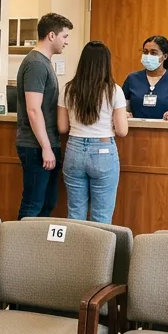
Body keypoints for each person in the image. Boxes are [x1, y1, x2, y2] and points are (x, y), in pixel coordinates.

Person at [58, 41, 128, 224]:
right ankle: (99, 245)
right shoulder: (114, 90)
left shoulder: (68, 89)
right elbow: (122, 131)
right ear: (106, 64)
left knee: (75, 214)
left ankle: (76, 244)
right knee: (101, 216)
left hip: (74, 150)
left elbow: (62, 127)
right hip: (103, 151)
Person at [16, 12, 72, 219]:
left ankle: (37, 241)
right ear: (51, 35)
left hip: (46, 143)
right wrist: (46, 148)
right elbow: (33, 109)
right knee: (33, 204)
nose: (66, 42)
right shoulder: (36, 64)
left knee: (48, 203)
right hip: (36, 146)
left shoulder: (44, 62)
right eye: (64, 36)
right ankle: (18, 240)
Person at [122, 35, 168, 121]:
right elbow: (122, 109)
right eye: (145, 52)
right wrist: (125, 114)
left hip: (165, 128)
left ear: (165, 56)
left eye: (153, 53)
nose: (148, 56)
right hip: (136, 127)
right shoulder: (132, 79)